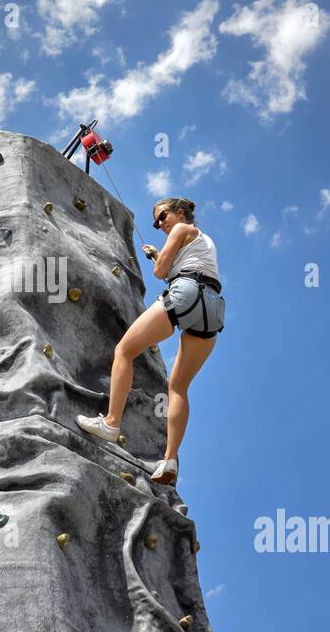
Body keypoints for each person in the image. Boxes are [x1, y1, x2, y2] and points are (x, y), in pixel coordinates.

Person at [76, 197, 224, 485]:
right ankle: (169, 460)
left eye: (162, 216)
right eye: (156, 222)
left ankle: (111, 423)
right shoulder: (203, 242)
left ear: (180, 213)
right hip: (213, 308)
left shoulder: (182, 229)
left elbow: (161, 274)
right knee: (178, 387)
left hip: (187, 292)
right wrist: (160, 255)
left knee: (124, 350)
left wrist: (158, 260)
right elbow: (175, 269)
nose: (159, 224)